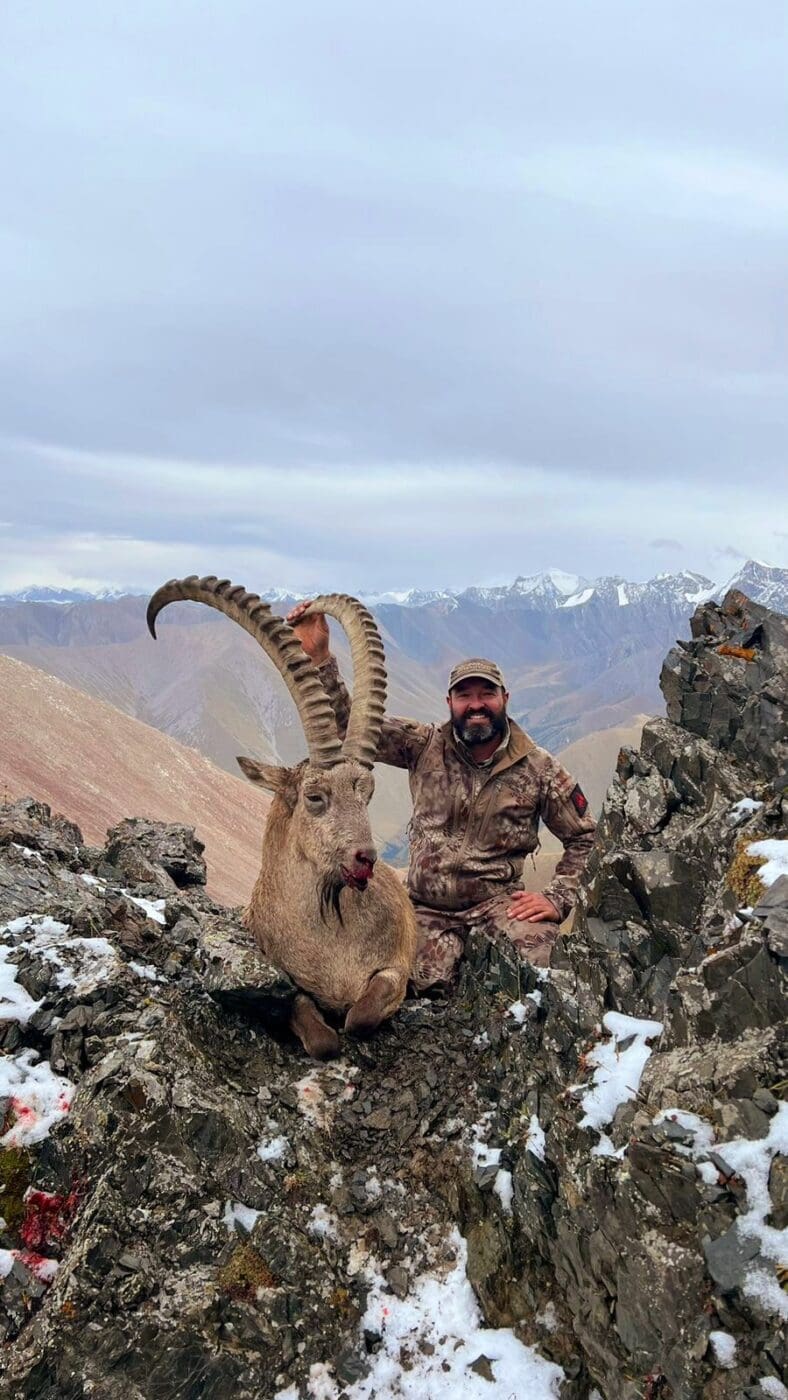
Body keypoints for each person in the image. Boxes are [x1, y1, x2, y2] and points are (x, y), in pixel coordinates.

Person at [288, 602, 597, 991]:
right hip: (421, 910)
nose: (476, 704)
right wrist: (320, 660)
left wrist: (558, 897)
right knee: (380, 983)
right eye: (464, 695)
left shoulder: (540, 769)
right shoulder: (423, 745)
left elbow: (585, 836)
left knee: (541, 975)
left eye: (487, 693)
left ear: (505, 698)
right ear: (449, 703)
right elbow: (352, 725)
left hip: (499, 907)